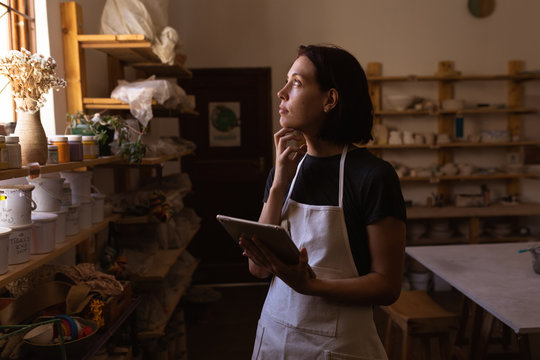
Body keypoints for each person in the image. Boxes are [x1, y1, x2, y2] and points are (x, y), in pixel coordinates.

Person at [239, 44, 406, 360]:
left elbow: (387, 286)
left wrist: (310, 287)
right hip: (275, 335)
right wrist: (278, 186)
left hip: (339, 347)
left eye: (297, 83)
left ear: (330, 99)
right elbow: (258, 268)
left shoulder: (373, 176)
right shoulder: (284, 172)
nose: (281, 92)